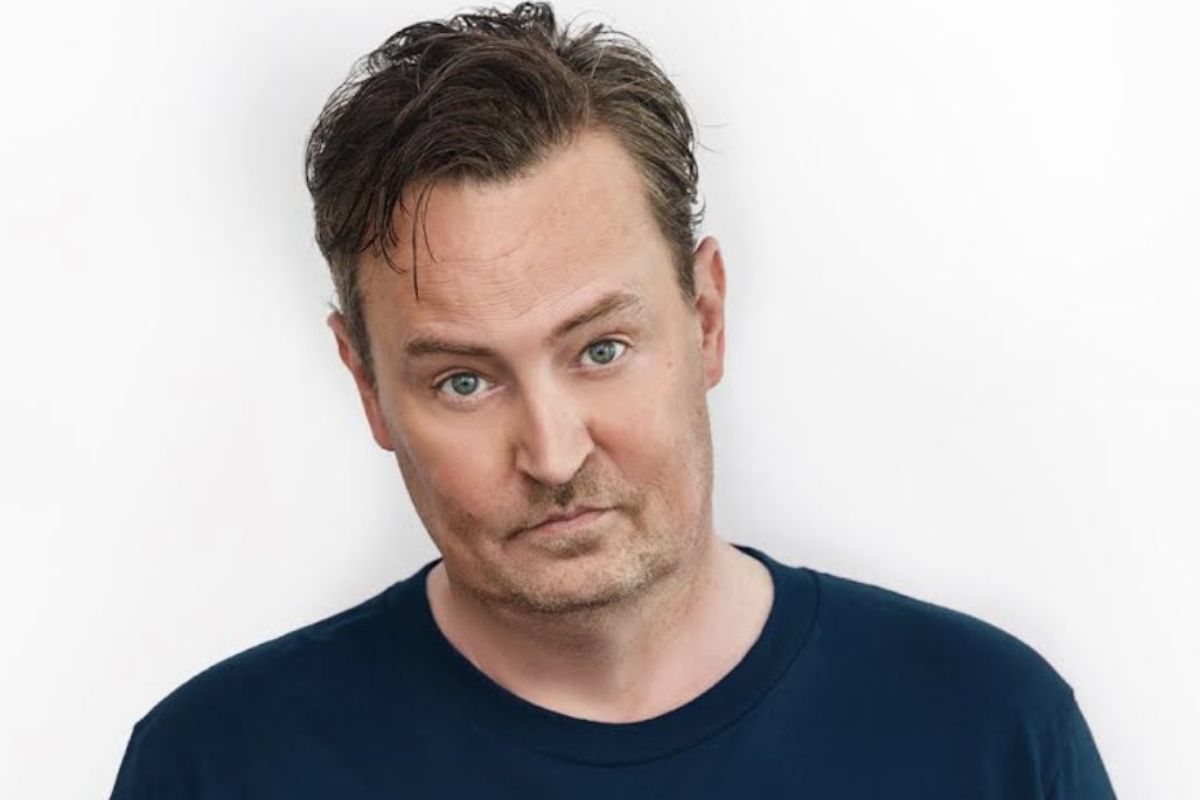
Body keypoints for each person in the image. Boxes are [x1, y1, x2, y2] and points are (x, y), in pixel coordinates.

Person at [109, 3, 1117, 797]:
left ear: (706, 318)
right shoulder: (219, 766)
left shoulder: (988, 730)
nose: (552, 452)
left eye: (599, 349)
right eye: (464, 379)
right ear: (367, 386)